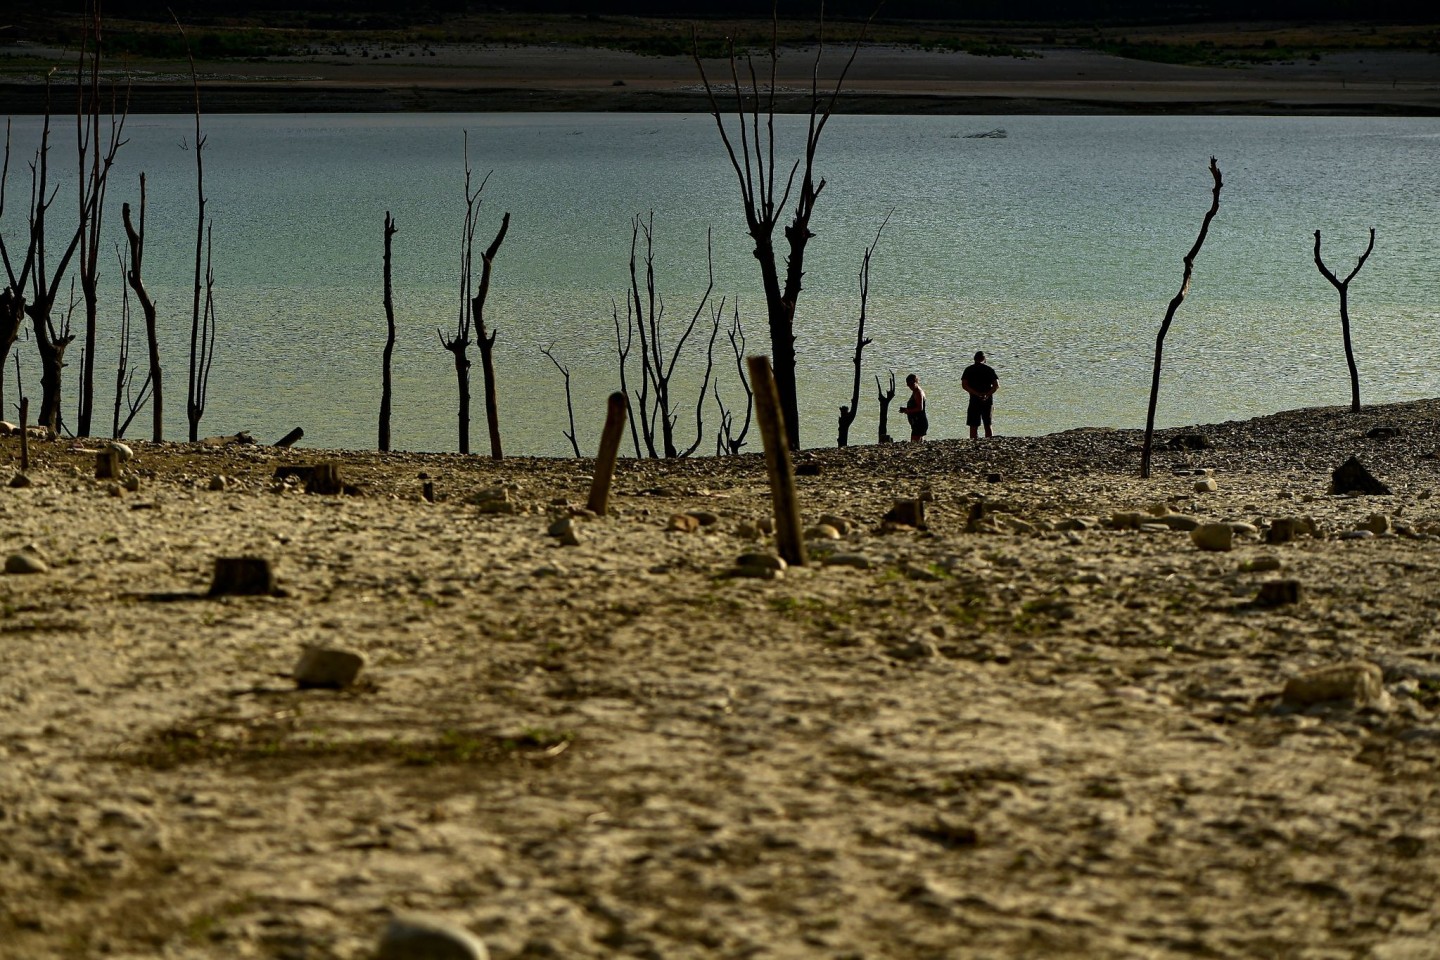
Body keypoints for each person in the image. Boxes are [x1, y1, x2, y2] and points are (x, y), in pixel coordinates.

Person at [961, 351, 999, 439]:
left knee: (973, 425)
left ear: (974, 359)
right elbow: (996, 385)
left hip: (974, 399)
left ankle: (973, 442)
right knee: (988, 424)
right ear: (984, 359)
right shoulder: (989, 370)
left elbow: (964, 385)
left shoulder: (969, 369)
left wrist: (976, 394)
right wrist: (987, 395)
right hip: (987, 400)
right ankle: (989, 442)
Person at [900, 373, 927, 443]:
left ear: (916, 382)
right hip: (916, 422)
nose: (910, 386)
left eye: (912, 384)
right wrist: (906, 410)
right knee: (918, 444)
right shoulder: (914, 391)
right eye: (908, 384)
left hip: (919, 422)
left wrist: (907, 410)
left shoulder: (918, 392)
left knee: (914, 444)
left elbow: (920, 408)